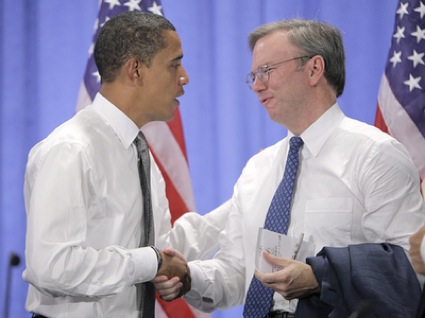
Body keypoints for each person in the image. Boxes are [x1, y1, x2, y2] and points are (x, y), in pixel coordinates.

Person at [155, 19, 425, 317]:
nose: (257, 86)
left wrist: (321, 277)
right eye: (254, 75)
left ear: (314, 69)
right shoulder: (258, 169)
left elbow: (411, 268)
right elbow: (236, 272)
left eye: (267, 71)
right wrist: (190, 277)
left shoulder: (375, 155)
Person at [22, 11, 191, 318]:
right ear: (135, 70)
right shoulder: (71, 150)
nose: (184, 78)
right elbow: (52, 266)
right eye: (174, 64)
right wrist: (151, 263)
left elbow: (159, 246)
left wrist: (168, 267)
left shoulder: (139, 152)